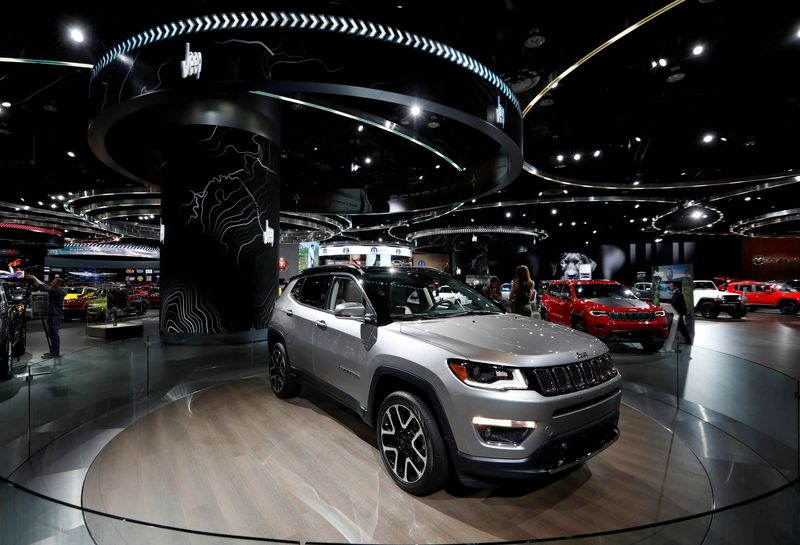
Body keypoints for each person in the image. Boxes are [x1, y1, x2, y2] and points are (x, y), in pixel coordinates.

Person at [25, 274, 66, 358]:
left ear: (59, 284)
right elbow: (44, 285)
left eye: (54, 281)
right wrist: (35, 277)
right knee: (51, 334)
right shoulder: (56, 289)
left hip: (55, 316)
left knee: (54, 335)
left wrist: (33, 278)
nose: (52, 282)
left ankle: (55, 353)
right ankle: (53, 351)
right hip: (53, 315)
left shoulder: (58, 291)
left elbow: (43, 287)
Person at [670, 280, 692, 345]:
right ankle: (688, 340)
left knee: (682, 327)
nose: (670, 286)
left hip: (678, 313)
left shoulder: (678, 293)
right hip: (677, 313)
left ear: (675, 286)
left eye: (671, 285)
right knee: (681, 327)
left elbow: (677, 303)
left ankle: (688, 340)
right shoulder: (676, 292)